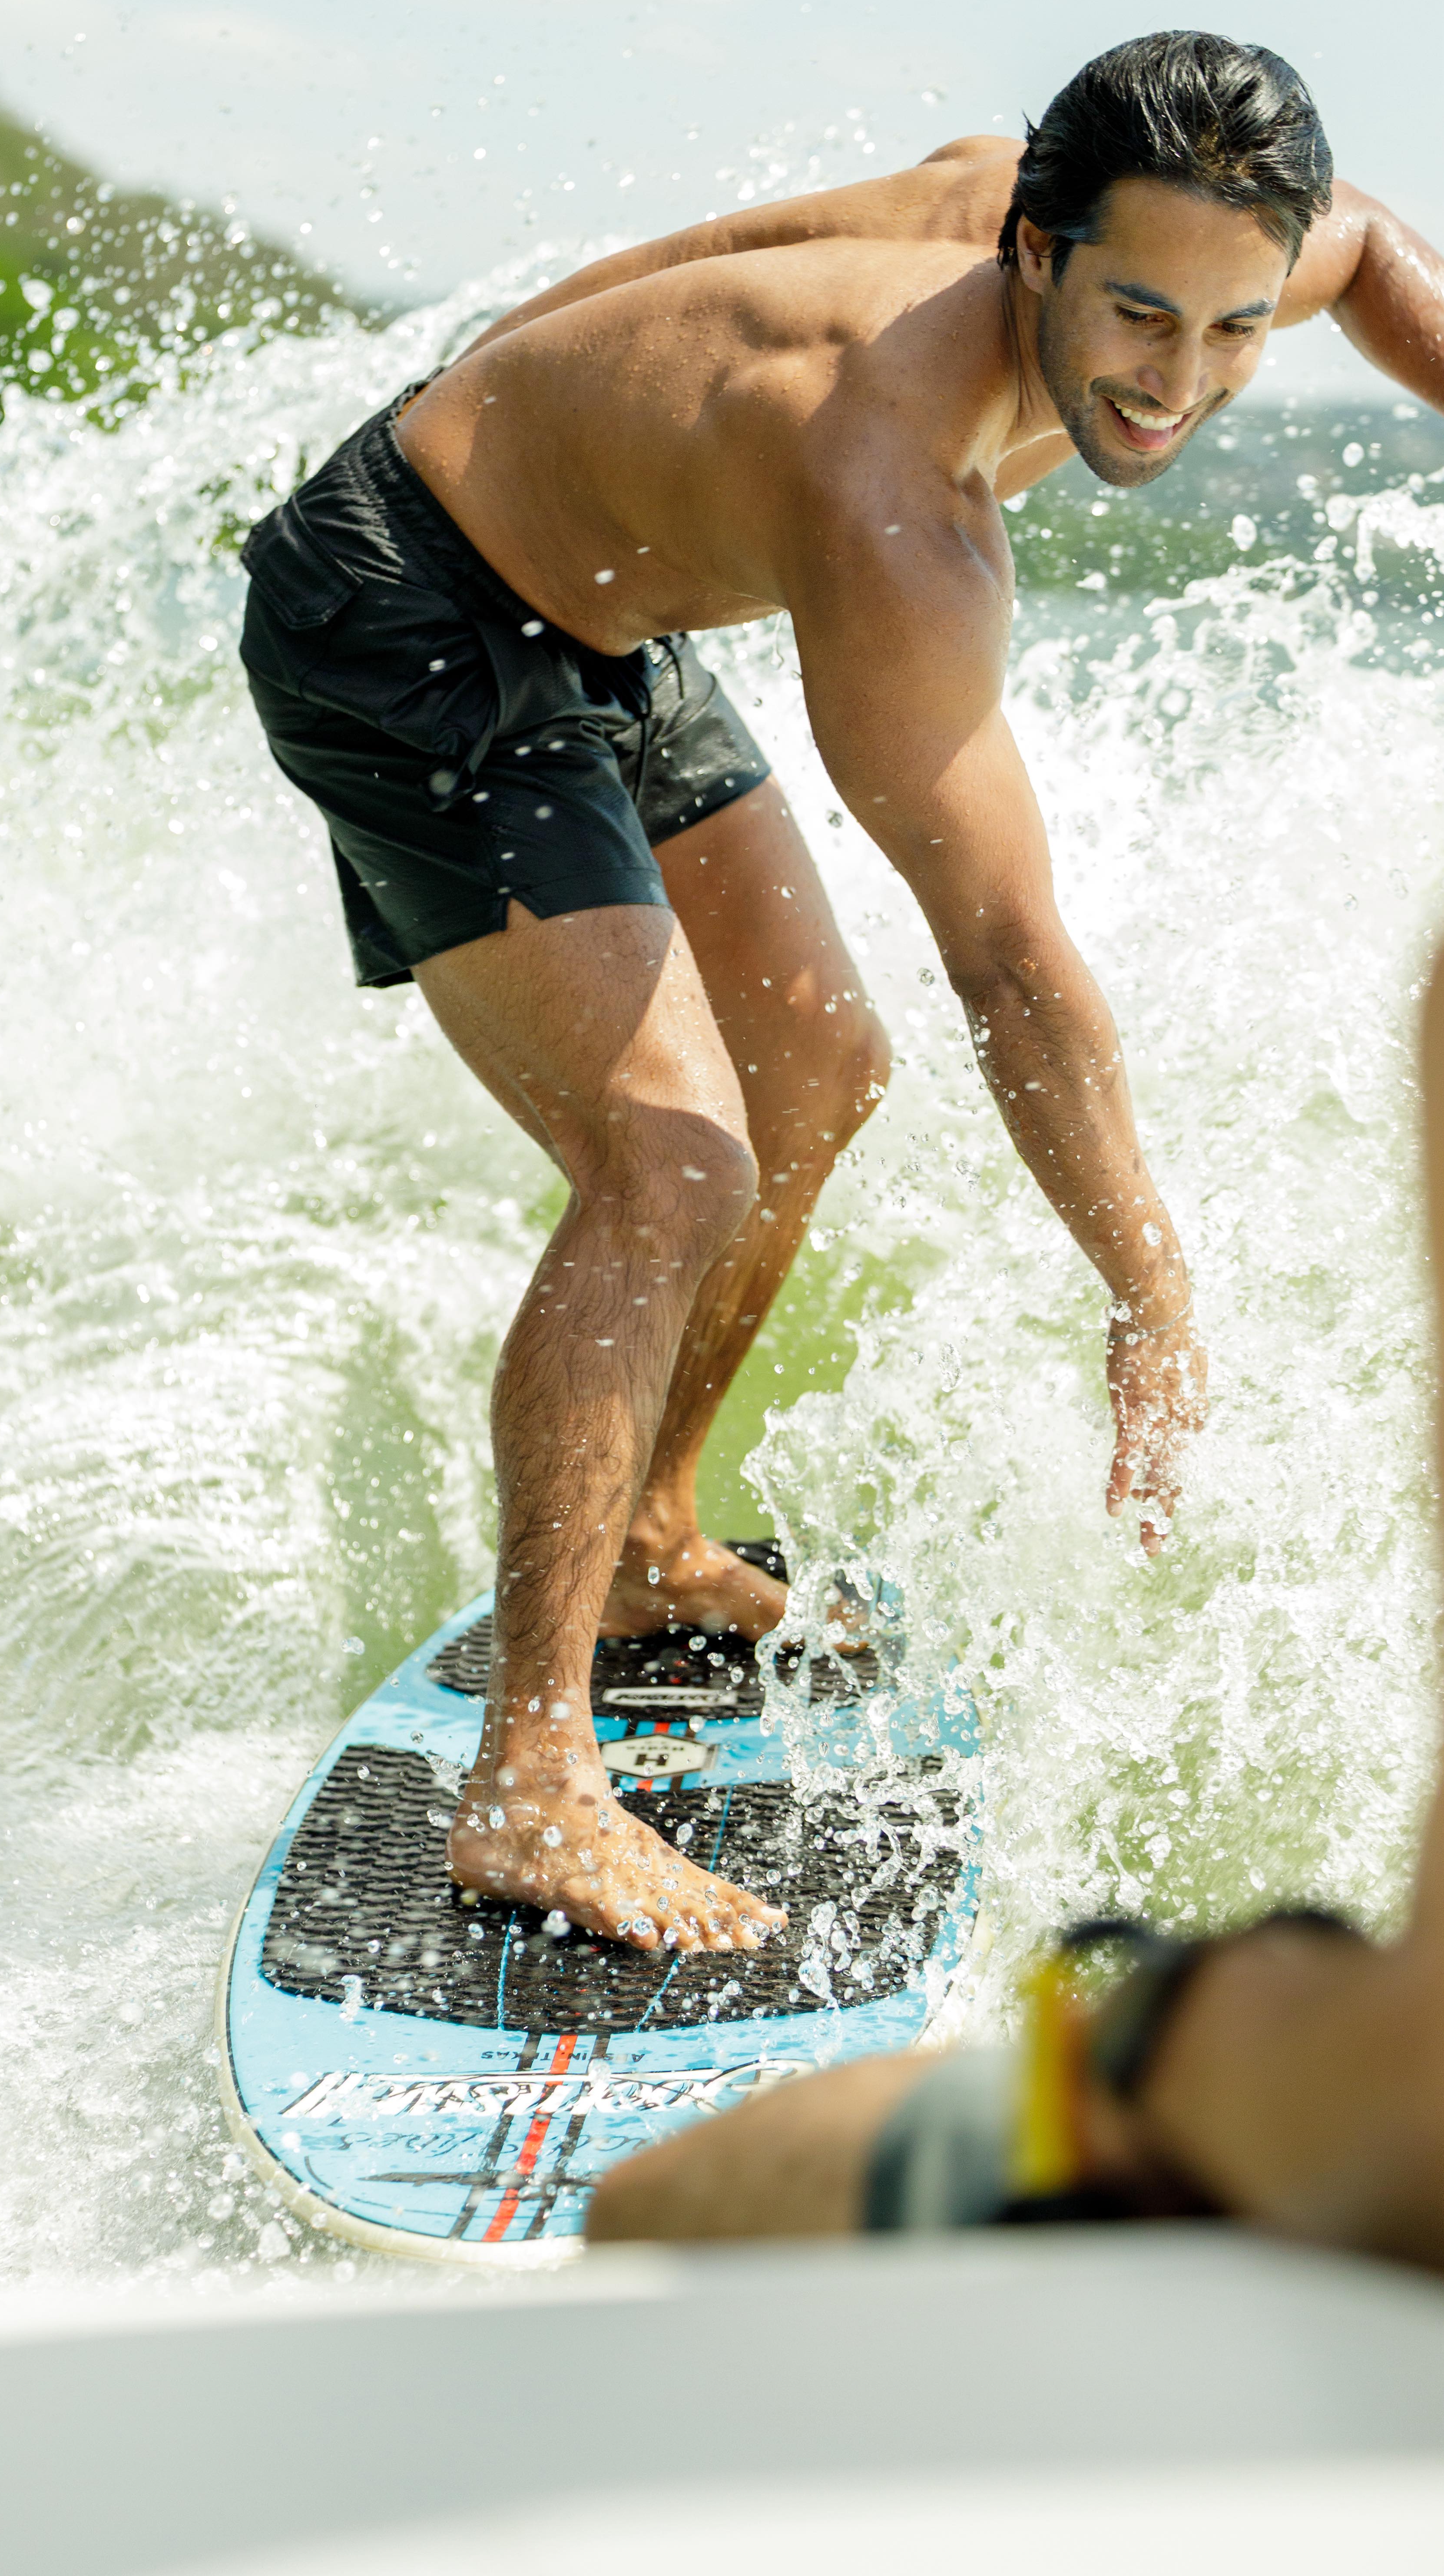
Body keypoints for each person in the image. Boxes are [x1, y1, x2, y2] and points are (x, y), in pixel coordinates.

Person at [240, 30, 1444, 1961]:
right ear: (1033, 254)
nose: (1182, 384)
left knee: (813, 1064)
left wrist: (527, 390)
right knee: (674, 1158)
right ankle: (532, 1785)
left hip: (601, 591)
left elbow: (1375, 254)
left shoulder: (1202, 224)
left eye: (1231, 333)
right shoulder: (892, 499)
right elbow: (1017, 973)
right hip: (408, 608)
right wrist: (1149, 1297)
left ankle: (652, 1536)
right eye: (1141, 319)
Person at [588, 940, 1444, 2266]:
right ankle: (641, 1568)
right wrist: (1150, 1294)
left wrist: (1172, 2022)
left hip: (1310, 2155)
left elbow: (1406, 2120)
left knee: (651, 2207)